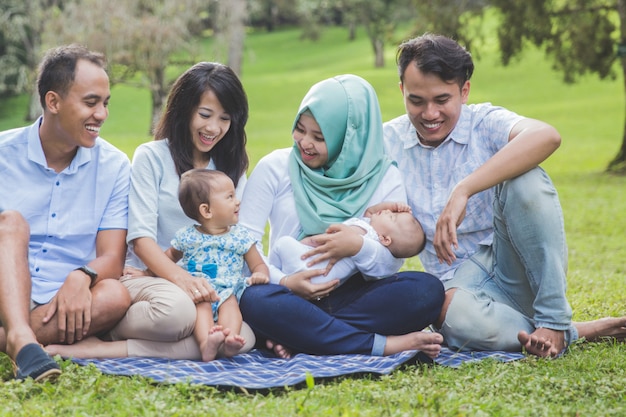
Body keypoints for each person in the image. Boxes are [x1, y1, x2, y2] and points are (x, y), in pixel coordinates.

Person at [383, 33, 626, 358]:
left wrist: (464, 189)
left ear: (464, 91)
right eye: (416, 100)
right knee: (456, 324)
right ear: (402, 90)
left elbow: (547, 136)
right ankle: (574, 331)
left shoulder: (484, 122)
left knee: (525, 177)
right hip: (457, 291)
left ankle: (552, 320)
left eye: (442, 100)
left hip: (517, 265)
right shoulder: (388, 141)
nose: (429, 114)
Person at [46, 62, 256, 360]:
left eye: (225, 118)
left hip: (210, 286)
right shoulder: (152, 157)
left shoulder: (232, 168)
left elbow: (236, 235)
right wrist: (183, 280)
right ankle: (116, 327)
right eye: (205, 115)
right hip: (151, 279)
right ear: (184, 110)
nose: (213, 128)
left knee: (242, 338)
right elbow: (141, 237)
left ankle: (103, 349)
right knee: (175, 315)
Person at [238, 74, 445, 359]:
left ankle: (298, 336)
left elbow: (390, 261)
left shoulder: (383, 177)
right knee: (253, 299)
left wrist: (357, 246)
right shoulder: (275, 167)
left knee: (426, 291)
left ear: (350, 139)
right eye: (300, 129)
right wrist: (286, 283)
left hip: (354, 296)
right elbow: (243, 244)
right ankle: (380, 344)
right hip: (287, 291)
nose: (305, 143)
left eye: (320, 137)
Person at [0, 44, 131, 381]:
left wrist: (81, 276)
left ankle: (19, 339)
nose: (101, 114)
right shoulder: (3, 154)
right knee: (11, 222)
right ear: (53, 102)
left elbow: (113, 258)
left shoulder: (114, 166)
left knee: (115, 295)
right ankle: (19, 337)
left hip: (62, 303)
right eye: (90, 102)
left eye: (105, 103)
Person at [161, 169, 269, 361]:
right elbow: (166, 259)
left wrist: (260, 274)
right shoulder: (187, 236)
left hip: (228, 290)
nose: (237, 201)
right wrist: (145, 272)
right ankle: (207, 345)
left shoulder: (240, 236)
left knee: (230, 305)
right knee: (202, 308)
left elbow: (258, 264)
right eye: (230, 197)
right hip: (199, 291)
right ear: (206, 210)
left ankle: (229, 339)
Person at [271, 201, 425, 286]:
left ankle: (268, 272)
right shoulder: (371, 234)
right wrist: (390, 206)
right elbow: (370, 212)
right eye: (392, 212)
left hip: (311, 267)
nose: (387, 212)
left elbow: (327, 239)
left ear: (385, 239)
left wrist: (307, 242)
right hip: (322, 280)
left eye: (392, 217)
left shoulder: (364, 233)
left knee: (282, 244)